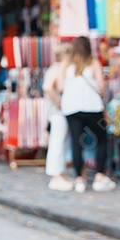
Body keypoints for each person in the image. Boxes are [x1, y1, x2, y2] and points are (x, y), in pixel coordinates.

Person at [58, 36, 115, 193]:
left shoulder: (66, 65)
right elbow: (101, 85)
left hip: (71, 108)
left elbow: (61, 87)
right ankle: (99, 176)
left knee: (77, 142)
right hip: (92, 107)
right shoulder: (93, 63)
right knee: (101, 139)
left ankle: (79, 179)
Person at [42, 43, 74, 191]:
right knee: (58, 142)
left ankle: (60, 173)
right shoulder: (56, 69)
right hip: (57, 112)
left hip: (59, 112)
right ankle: (55, 175)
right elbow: (48, 87)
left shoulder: (58, 69)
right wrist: (59, 103)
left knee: (62, 142)